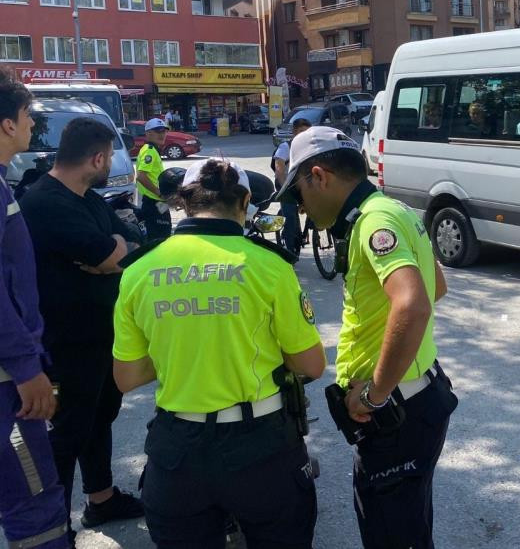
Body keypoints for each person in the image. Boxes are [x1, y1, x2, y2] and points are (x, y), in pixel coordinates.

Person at [112, 158, 326, 548]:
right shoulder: (270, 266)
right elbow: (311, 364)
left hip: (177, 451)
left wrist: (183, 350)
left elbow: (125, 377)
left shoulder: (138, 270)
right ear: (245, 201)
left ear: (184, 202)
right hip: (261, 447)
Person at [277, 128, 456, 549]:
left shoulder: (374, 221)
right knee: (408, 528)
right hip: (416, 401)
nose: (299, 207)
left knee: (392, 534)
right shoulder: (392, 208)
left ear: (318, 176)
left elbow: (413, 304)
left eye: (298, 194)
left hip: (396, 412)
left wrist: (375, 394)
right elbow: (437, 285)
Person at [20, 118, 144, 542]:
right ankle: (56, 528)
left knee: (99, 419)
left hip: (101, 336)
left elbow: (129, 245)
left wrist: (113, 251)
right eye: (110, 156)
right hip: (67, 342)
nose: (110, 162)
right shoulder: (47, 202)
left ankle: (102, 499)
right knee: (68, 432)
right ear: (98, 158)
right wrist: (111, 251)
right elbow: (108, 251)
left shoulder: (87, 197)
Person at [0, 70, 71, 549]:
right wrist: (26, 368)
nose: (31, 127)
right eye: (27, 117)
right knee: (35, 508)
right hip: (9, 384)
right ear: (8, 124)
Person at [272, 117, 312, 258]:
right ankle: (289, 254)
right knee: (290, 218)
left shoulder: (311, 147)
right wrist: (285, 188)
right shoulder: (285, 147)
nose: (304, 134)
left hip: (303, 184)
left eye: (307, 131)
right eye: (301, 131)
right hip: (286, 184)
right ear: (294, 132)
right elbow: (279, 169)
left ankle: (309, 231)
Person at [136, 118, 172, 241]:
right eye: (158, 131)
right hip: (154, 202)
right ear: (148, 133)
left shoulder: (152, 149)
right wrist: (159, 193)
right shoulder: (150, 151)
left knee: (160, 235)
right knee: (160, 239)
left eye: (164, 131)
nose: (162, 135)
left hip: (157, 202)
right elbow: (141, 176)